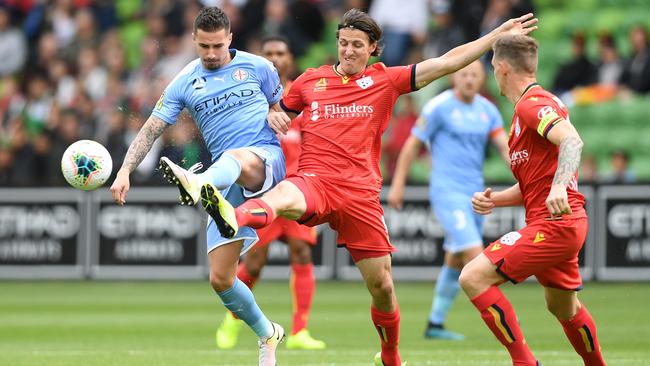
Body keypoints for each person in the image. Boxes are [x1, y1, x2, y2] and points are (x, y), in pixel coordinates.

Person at [175, 8, 536, 366]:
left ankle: (391, 355)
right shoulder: (309, 82)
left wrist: (494, 37)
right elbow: (273, 114)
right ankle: (232, 217)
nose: (348, 51)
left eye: (357, 45)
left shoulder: (386, 80)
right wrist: (273, 114)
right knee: (283, 195)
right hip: (316, 180)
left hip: (360, 195)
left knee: (382, 288)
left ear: (373, 47)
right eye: (343, 43)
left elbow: (445, 62)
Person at [109, 7, 288, 366]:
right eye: (204, 46)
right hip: (225, 177)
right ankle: (268, 333)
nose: (210, 53)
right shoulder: (184, 81)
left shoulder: (259, 67)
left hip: (263, 160)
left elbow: (283, 105)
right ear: (193, 40)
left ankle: (198, 181)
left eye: (217, 46)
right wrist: (125, 169)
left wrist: (276, 111)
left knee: (236, 157)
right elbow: (150, 130)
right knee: (221, 279)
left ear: (230, 39)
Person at [459, 34, 607, 366]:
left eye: (493, 68)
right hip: (560, 222)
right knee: (562, 308)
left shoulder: (531, 105)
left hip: (556, 224)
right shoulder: (532, 107)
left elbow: (572, 142)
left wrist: (557, 189)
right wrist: (495, 200)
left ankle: (525, 362)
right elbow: (533, 186)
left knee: (473, 277)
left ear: (501, 68)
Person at [215, 35, 326, 351]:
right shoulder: (247, 97)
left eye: (280, 52)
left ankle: (301, 331)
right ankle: (232, 318)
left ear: (290, 58)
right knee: (256, 263)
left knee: (302, 253)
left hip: (298, 189)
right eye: (268, 53)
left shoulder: (302, 97)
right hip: (263, 192)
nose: (274, 58)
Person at [387, 60, 509, 341]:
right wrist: (398, 185)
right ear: (455, 77)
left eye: (474, 75)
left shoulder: (487, 110)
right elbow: (412, 145)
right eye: (464, 74)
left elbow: (503, 146)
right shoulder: (438, 107)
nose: (469, 79)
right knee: (475, 255)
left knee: (455, 259)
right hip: (447, 191)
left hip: (476, 194)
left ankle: (435, 323)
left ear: (481, 79)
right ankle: (504, 326)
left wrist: (524, 174)